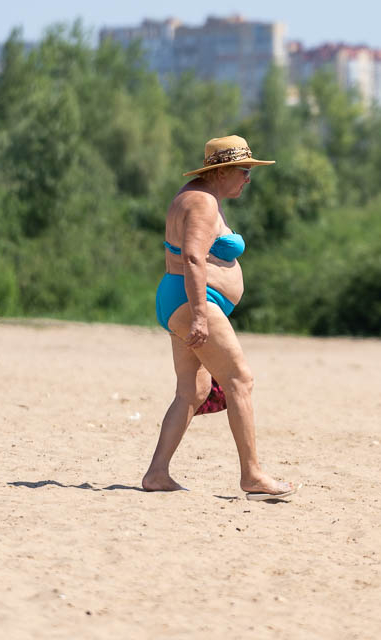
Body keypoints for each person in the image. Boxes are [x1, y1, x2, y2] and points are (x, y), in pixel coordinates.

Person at [142, 135, 299, 501]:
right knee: (239, 379)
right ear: (222, 171)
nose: (248, 179)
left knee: (193, 391)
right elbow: (193, 258)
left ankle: (157, 473)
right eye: (245, 171)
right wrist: (199, 315)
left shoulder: (200, 196)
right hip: (192, 301)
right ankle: (253, 475)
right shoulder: (201, 203)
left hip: (180, 299)